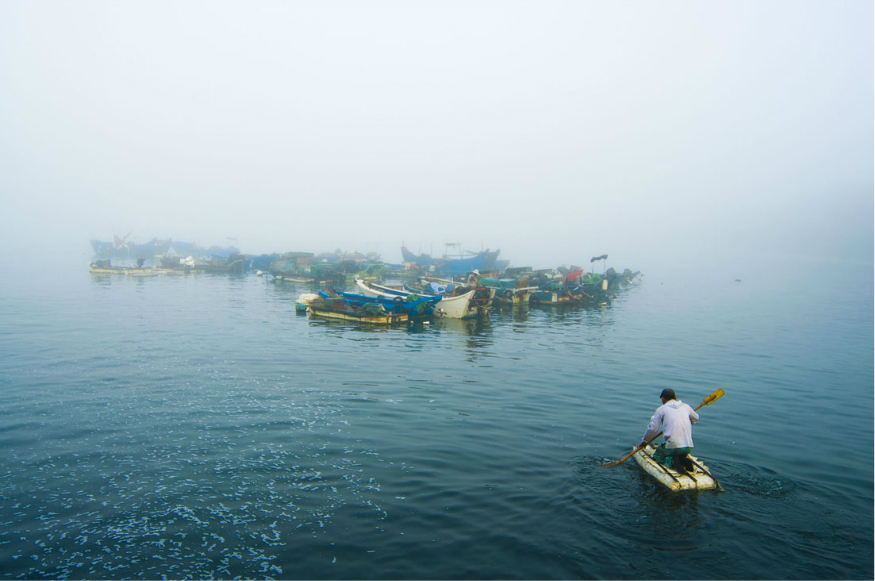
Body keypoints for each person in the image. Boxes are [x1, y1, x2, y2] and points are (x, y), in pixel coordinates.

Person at [640, 388, 699, 473]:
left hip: (673, 447)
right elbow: (696, 418)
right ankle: (683, 460)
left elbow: (653, 429)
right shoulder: (686, 407)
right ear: (675, 398)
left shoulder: (661, 409)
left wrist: (645, 441)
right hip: (688, 446)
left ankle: (673, 462)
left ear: (663, 399)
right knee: (680, 452)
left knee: (658, 455)